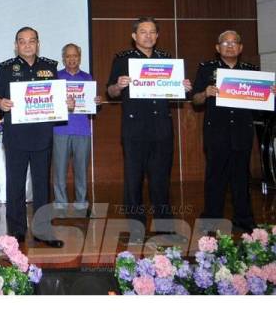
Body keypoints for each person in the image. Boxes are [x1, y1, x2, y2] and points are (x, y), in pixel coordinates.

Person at [106, 17, 191, 242]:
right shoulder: (122, 60)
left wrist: (184, 87)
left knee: (161, 180)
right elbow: (111, 92)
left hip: (162, 128)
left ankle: (165, 228)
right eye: (143, 32)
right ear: (134, 36)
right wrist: (118, 85)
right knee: (133, 182)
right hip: (134, 129)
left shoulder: (166, 60)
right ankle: (136, 229)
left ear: (157, 35)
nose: (148, 36)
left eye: (152, 32)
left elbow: (179, 93)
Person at [0, 26, 73, 248]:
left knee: (42, 186)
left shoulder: (49, 67)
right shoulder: (6, 68)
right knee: (15, 185)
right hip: (16, 135)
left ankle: (42, 231)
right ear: (16, 45)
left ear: (38, 43)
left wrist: (67, 104)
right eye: (22, 41)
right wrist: (0, 103)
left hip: (42, 135)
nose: (27, 45)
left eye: (31, 41)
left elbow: (57, 98)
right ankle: (16, 231)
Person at [192, 30, 276, 233]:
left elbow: (261, 107)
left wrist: (270, 95)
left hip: (242, 132)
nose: (230, 46)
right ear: (217, 47)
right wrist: (205, 93)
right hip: (216, 132)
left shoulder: (251, 72)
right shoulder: (206, 69)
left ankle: (244, 220)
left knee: (241, 177)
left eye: (234, 43)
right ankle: (212, 221)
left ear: (240, 48)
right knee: (215, 177)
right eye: (225, 43)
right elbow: (195, 100)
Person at [52, 43, 101, 211]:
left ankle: (81, 202)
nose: (72, 59)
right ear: (63, 58)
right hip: (60, 129)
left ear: (79, 58)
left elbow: (92, 103)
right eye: (68, 56)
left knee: (81, 169)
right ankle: (60, 202)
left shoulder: (88, 78)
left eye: (75, 56)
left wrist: (97, 102)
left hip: (83, 130)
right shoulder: (56, 77)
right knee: (59, 170)